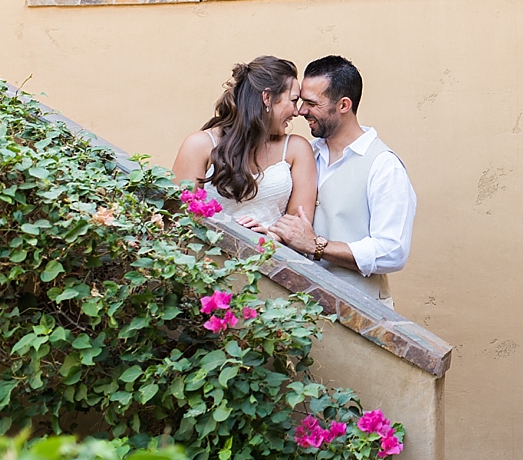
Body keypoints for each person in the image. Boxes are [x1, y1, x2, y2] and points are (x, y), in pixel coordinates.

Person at [269, 55, 415, 309]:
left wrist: (318, 246)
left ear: (344, 105)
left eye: (312, 103)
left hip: (361, 313)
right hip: (301, 310)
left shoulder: (383, 165)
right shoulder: (305, 154)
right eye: (302, 101)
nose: (301, 111)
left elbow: (392, 252)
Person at [172, 56, 317, 230]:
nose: (296, 112)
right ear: (267, 98)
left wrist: (271, 236)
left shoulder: (296, 149)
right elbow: (178, 216)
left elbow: (300, 222)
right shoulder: (200, 145)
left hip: (271, 254)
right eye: (293, 101)